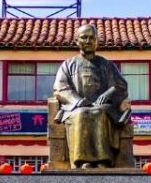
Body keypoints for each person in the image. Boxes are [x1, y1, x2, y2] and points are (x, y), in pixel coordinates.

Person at [52, 23, 133, 168]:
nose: (88, 41)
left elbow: (121, 86)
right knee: (82, 114)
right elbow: (60, 87)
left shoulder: (107, 64)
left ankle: (103, 160)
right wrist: (77, 101)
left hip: (102, 108)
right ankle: (82, 161)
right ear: (77, 41)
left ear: (96, 41)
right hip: (75, 108)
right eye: (84, 37)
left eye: (91, 38)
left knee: (100, 113)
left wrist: (108, 94)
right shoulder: (68, 64)